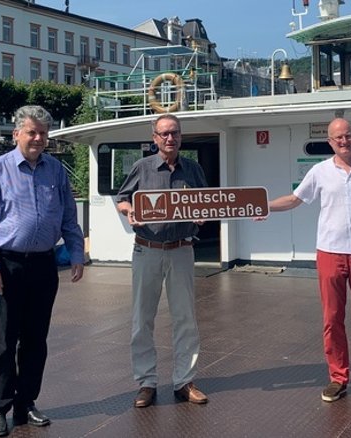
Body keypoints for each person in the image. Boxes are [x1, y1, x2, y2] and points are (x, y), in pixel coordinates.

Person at [0, 105, 85, 437]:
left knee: (35, 340)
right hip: (7, 266)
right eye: (31, 132)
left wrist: (77, 253)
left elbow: (68, 218)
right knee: (3, 341)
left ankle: (25, 403)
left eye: (43, 133)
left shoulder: (56, 171)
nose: (38, 138)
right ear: (16, 133)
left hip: (44, 265)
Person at [266, 117, 351, 406]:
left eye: (348, 136)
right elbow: (295, 200)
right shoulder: (320, 171)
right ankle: (338, 377)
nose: (345, 141)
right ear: (330, 143)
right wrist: (265, 207)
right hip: (330, 252)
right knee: (332, 318)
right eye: (339, 138)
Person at [115, 113, 209, 408]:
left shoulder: (193, 169)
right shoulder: (141, 167)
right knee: (143, 319)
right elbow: (122, 198)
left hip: (182, 249)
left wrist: (202, 217)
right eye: (164, 133)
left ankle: (184, 381)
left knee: (186, 319)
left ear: (181, 136)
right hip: (147, 249)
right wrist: (129, 210)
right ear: (154, 137)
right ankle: (146, 382)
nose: (170, 138)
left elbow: (206, 201)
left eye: (175, 133)